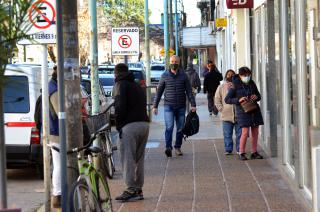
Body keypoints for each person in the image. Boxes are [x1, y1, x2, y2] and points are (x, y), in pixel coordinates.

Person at [113, 63, 150, 202]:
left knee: (127, 158)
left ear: (116, 73)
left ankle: (130, 189)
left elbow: (119, 106)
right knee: (139, 159)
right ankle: (138, 189)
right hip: (144, 124)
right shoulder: (136, 85)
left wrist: (119, 125)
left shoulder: (120, 85)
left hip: (129, 126)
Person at [153, 55, 197, 157]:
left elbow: (189, 91)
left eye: (176, 62)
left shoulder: (184, 75)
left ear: (179, 63)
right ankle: (168, 147)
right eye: (172, 61)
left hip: (181, 106)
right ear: (169, 62)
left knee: (180, 128)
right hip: (169, 106)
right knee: (169, 127)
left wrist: (193, 104)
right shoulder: (164, 75)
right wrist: (155, 106)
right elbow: (159, 91)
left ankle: (178, 147)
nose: (174, 63)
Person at [225, 66, 264, 160]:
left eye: (248, 75)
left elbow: (259, 95)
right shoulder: (235, 84)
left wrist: (256, 97)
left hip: (254, 109)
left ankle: (254, 152)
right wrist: (239, 99)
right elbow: (227, 99)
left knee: (255, 131)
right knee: (245, 132)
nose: (247, 77)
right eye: (245, 75)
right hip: (243, 111)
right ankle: (241, 152)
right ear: (240, 75)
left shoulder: (251, 83)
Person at [214, 69, 241, 155]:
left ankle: (239, 149)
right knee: (227, 134)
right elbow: (217, 99)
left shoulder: (239, 86)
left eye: (232, 74)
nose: (230, 76)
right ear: (225, 76)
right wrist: (221, 109)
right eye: (228, 74)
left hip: (239, 115)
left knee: (239, 134)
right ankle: (228, 149)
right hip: (226, 115)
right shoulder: (221, 87)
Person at [48, 65, 61, 208]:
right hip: (57, 133)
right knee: (59, 165)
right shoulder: (54, 90)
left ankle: (58, 193)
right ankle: (57, 195)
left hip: (55, 132)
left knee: (59, 165)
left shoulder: (53, 86)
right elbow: (60, 113)